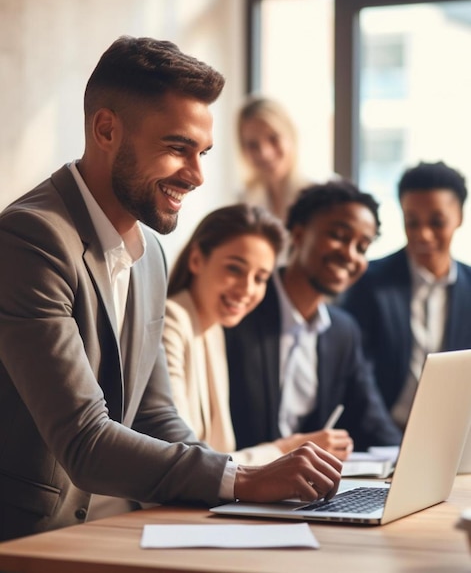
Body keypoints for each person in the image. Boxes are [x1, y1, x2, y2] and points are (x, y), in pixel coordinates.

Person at [0, 36, 342, 541]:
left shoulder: (151, 253)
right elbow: (84, 441)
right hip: (34, 538)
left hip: (128, 524)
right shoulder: (31, 240)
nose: (198, 174)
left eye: (203, 151)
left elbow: (156, 414)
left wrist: (244, 488)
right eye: (177, 148)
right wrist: (242, 479)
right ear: (106, 129)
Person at [164, 204, 354, 465]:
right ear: (196, 260)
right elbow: (184, 459)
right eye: (234, 269)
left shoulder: (213, 330)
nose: (247, 289)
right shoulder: (171, 321)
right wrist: (286, 449)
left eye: (260, 278)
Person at [225, 180, 402, 454]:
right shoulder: (241, 306)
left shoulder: (343, 331)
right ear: (297, 234)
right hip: (236, 482)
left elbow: (374, 422)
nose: (349, 255)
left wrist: (410, 462)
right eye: (339, 236)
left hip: (302, 490)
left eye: (362, 247)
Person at [341, 161, 471, 429]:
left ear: (459, 217)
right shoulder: (369, 283)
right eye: (412, 222)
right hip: (382, 437)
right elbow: (358, 377)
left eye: (437, 222)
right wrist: (391, 441)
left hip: (457, 435)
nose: (423, 234)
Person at [235, 96, 311, 221]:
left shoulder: (321, 195)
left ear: (291, 135)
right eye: (253, 145)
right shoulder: (244, 200)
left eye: (273, 138)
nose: (265, 153)